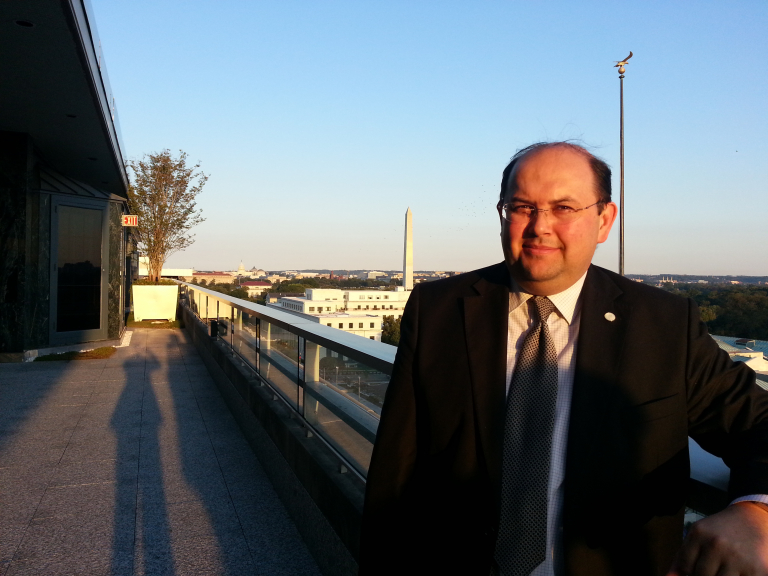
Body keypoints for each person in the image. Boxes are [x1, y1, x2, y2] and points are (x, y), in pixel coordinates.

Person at [359, 142, 768, 576]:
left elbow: (758, 423)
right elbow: (395, 476)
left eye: (564, 207)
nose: (540, 227)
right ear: (502, 214)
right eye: (522, 207)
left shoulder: (664, 325)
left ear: (604, 220)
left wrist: (757, 512)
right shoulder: (437, 310)